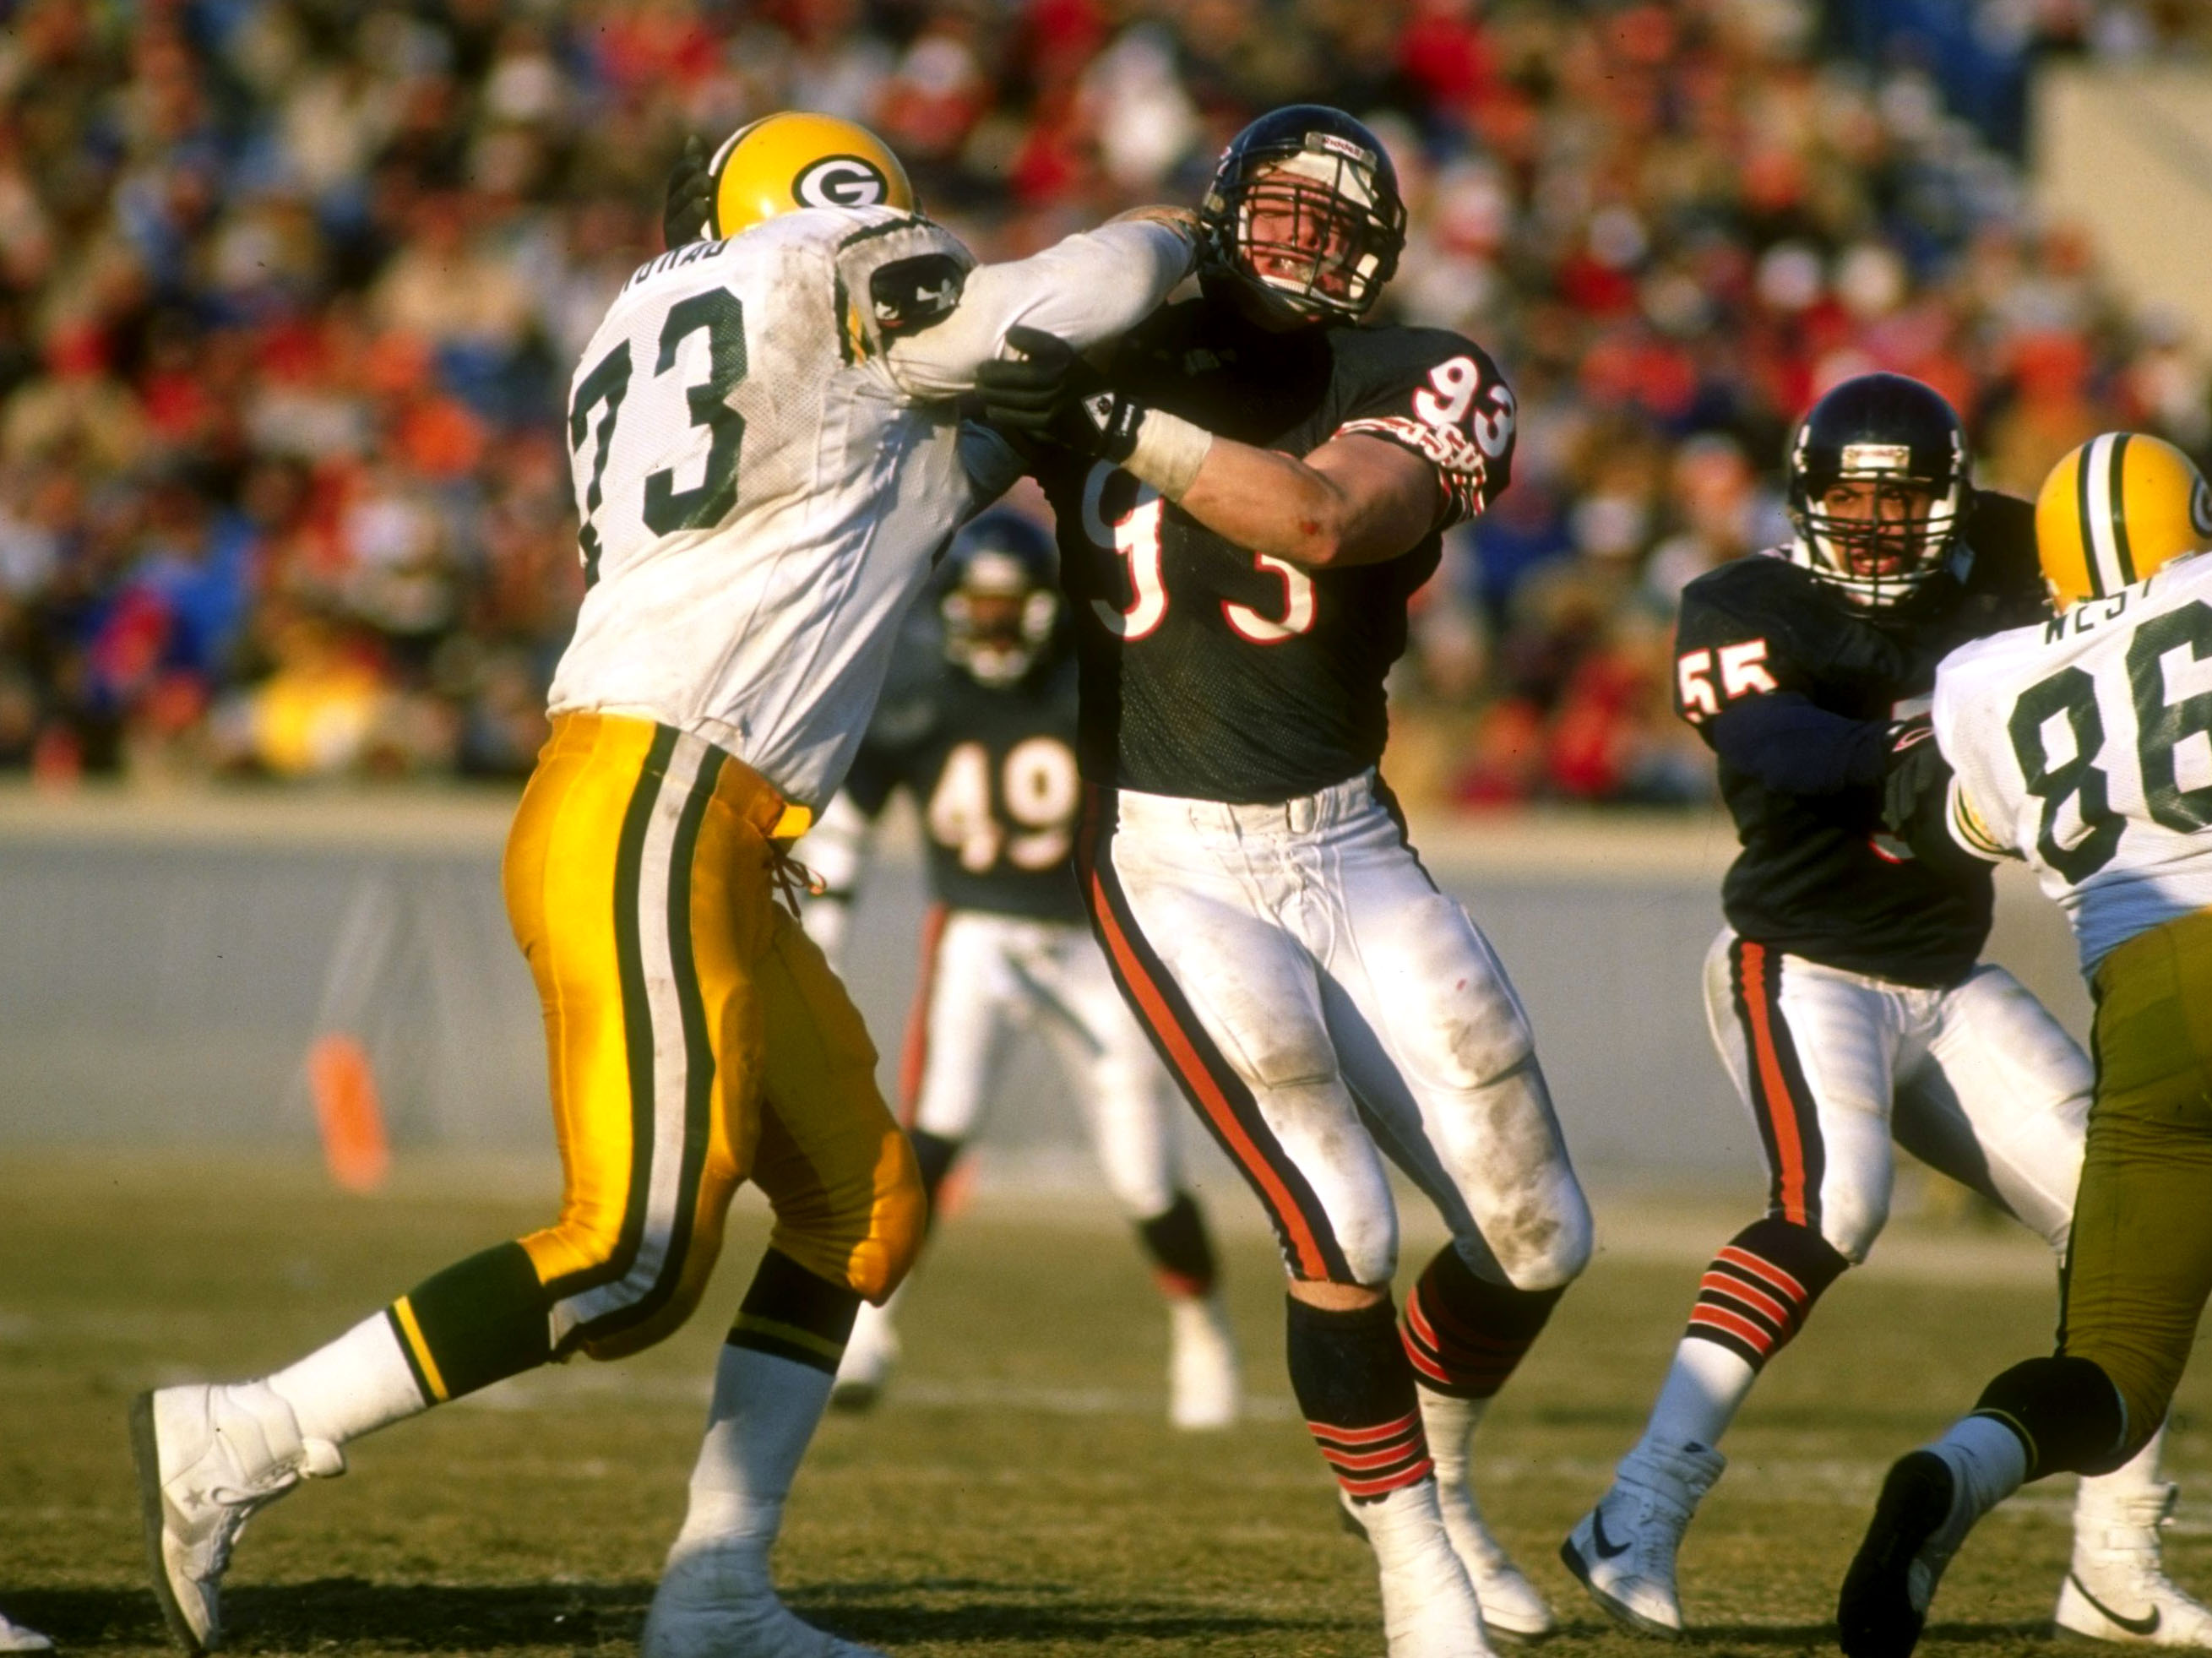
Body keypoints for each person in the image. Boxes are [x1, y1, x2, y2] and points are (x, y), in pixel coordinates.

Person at [130, 113, 1201, 1658]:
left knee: (861, 1204)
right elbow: (1060, 299)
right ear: (836, 196)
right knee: (631, 1251)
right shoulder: (829, 253)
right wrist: (1173, 234)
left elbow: (868, 510)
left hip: (689, 809)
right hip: (659, 797)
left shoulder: (659, 324)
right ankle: (246, 1430)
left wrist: (1018, 436)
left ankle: (717, 1591)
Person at [978, 105, 1590, 1658]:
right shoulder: (1127, 339)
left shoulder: (1423, 370)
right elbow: (928, 476)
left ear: (1381, 253)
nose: (1304, 244)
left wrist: (1108, 416)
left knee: (1537, 1235)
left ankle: (1427, 1474)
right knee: (1344, 1223)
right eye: (1281, 211)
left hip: (1347, 838)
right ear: (1218, 209)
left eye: (1337, 224)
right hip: (1167, 854)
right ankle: (1413, 1575)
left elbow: (1324, 516)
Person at [1557, 377, 2212, 1651]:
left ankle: (2114, 1565)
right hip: (1800, 961)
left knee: (2130, 1227)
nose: (1877, 524)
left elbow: (2139, 568)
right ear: (1803, 499)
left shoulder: (2008, 549)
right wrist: (1954, 750)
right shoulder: (1741, 605)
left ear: (1950, 497)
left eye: (1903, 498)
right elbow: (1783, 750)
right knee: (1832, 1207)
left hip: (1946, 975)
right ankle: (1635, 1508)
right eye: (1851, 497)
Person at [1839, 432, 2212, 1658]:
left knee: (2108, 1373)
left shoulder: (1991, 678)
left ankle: (1953, 1472)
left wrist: (1898, 768)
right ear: (2198, 522)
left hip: (2149, 1029)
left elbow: (1936, 822)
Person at [792, 512, 1241, 1428]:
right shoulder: (919, 687)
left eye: (1009, 607)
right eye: (981, 607)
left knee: (1144, 1175)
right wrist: (821, 931)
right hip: (976, 937)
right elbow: (845, 823)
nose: (994, 626)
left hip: (1095, 945)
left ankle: (1201, 1329)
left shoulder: (1093, 682)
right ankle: (869, 1329)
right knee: (931, 1139)